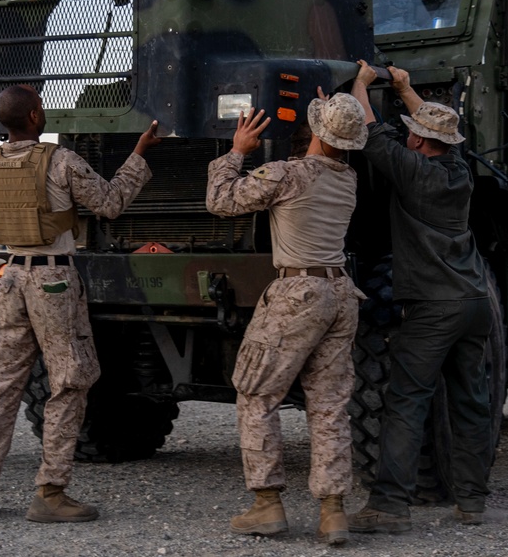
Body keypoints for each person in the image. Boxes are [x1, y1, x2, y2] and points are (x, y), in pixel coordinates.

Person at [0, 84, 161, 523]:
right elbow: (109, 204)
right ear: (33, 117)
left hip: (11, 277)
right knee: (70, 380)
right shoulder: (60, 160)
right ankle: (50, 490)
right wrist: (140, 153)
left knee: (4, 384)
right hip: (53, 278)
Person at [206, 95, 368, 546]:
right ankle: (333, 512)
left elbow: (220, 201)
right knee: (330, 403)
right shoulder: (348, 178)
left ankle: (267, 504)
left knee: (256, 391)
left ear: (316, 131)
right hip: (340, 292)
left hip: (297, 291)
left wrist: (238, 150)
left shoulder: (286, 173)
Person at [347, 61, 492, 532]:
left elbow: (370, 135)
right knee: (471, 402)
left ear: (417, 142)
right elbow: (435, 128)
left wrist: (361, 86)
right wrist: (407, 90)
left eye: (412, 132)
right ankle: (471, 502)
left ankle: (389, 506)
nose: (407, 135)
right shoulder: (458, 171)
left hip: (433, 308)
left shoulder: (413, 172)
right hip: (474, 302)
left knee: (407, 400)